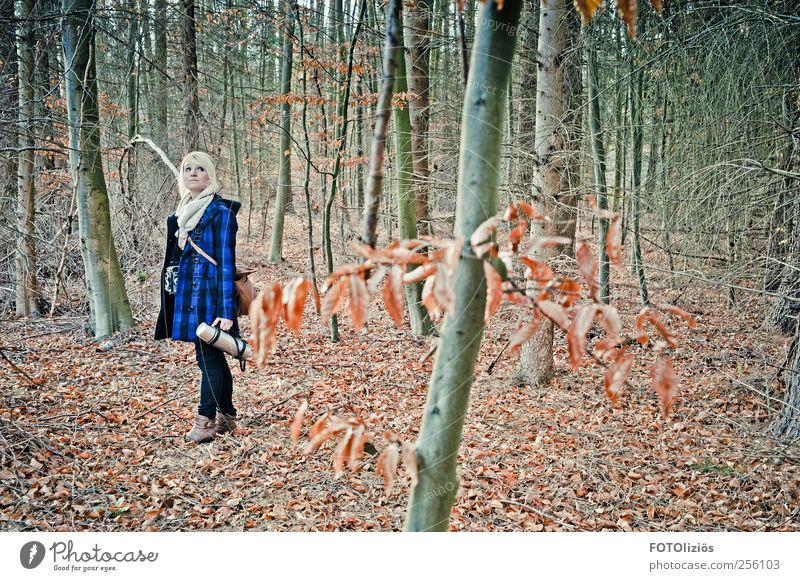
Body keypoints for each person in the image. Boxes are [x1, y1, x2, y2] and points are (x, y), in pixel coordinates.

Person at [155, 151, 241, 443]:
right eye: (187, 168)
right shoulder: (180, 215)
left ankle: (205, 422)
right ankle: (227, 416)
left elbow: (226, 264)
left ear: (210, 176)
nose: (192, 173)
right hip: (187, 297)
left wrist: (227, 311)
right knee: (212, 359)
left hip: (211, 297)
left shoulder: (221, 214)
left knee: (209, 360)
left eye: (200, 168)